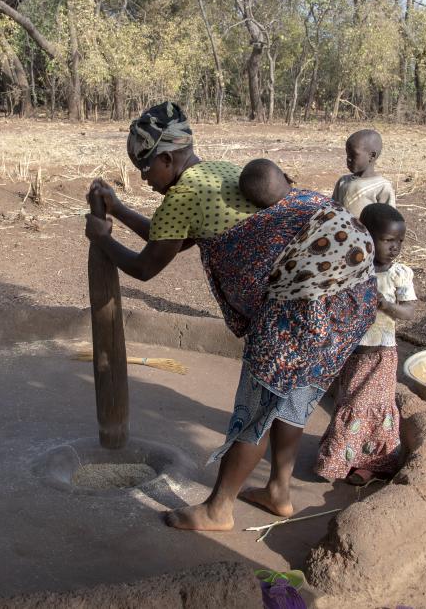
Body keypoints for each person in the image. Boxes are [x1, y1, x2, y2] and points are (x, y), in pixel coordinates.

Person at [85, 102, 378, 531]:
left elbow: (147, 267)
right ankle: (278, 491)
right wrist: (118, 211)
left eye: (146, 169)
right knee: (295, 393)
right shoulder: (218, 172)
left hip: (307, 302)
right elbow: (170, 236)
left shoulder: (184, 196)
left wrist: (103, 238)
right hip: (354, 285)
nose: (146, 182)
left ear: (167, 158)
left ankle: (218, 509)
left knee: (259, 400)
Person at [314, 203, 416, 485]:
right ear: (366, 237)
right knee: (348, 403)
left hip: (381, 354)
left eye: (399, 241)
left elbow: (410, 311)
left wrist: (386, 305)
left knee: (366, 407)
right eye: (388, 240)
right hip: (352, 352)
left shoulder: (399, 275)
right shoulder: (353, 268)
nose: (395, 247)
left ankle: (365, 464)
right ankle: (349, 457)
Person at [331, 129, 396, 217]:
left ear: (372, 156)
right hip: (341, 230)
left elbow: (389, 220)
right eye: (347, 154)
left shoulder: (382, 188)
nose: (348, 159)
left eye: (353, 155)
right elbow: (332, 210)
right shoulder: (343, 182)